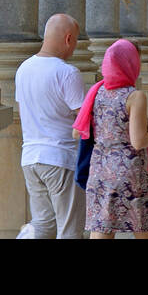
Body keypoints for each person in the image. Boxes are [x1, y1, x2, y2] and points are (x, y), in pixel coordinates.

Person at [73, 39, 148, 239]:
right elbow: (138, 141)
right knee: (144, 227)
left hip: (100, 170)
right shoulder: (134, 96)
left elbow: (77, 132)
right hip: (129, 173)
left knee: (102, 228)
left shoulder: (97, 91)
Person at [15, 12, 87, 239]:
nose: (74, 46)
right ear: (68, 39)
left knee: (42, 225)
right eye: (75, 40)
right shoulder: (67, 72)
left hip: (30, 158)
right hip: (61, 157)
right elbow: (84, 119)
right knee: (69, 229)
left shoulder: (23, 69)